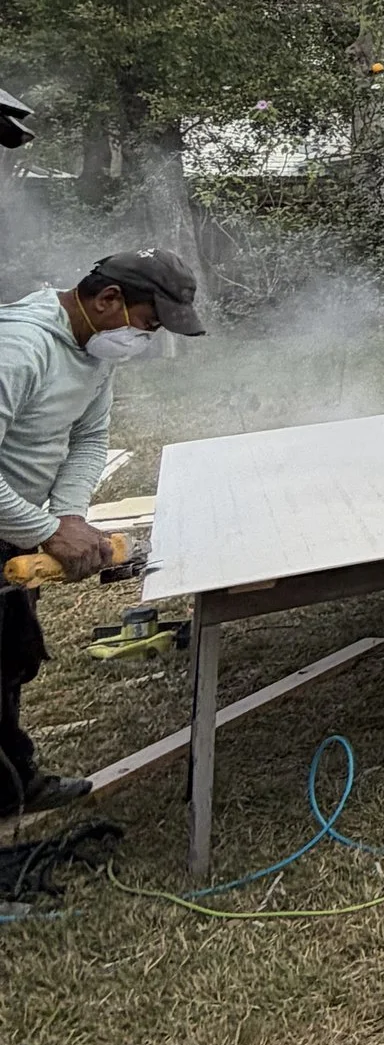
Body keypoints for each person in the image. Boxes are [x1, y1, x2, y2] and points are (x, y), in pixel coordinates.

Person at [0, 248, 205, 816]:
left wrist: (67, 517)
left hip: (15, 527)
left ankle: (15, 782)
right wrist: (44, 527)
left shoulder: (93, 354)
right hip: (16, 520)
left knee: (10, 654)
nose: (144, 340)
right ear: (109, 299)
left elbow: (89, 438)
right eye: (148, 325)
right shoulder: (19, 348)